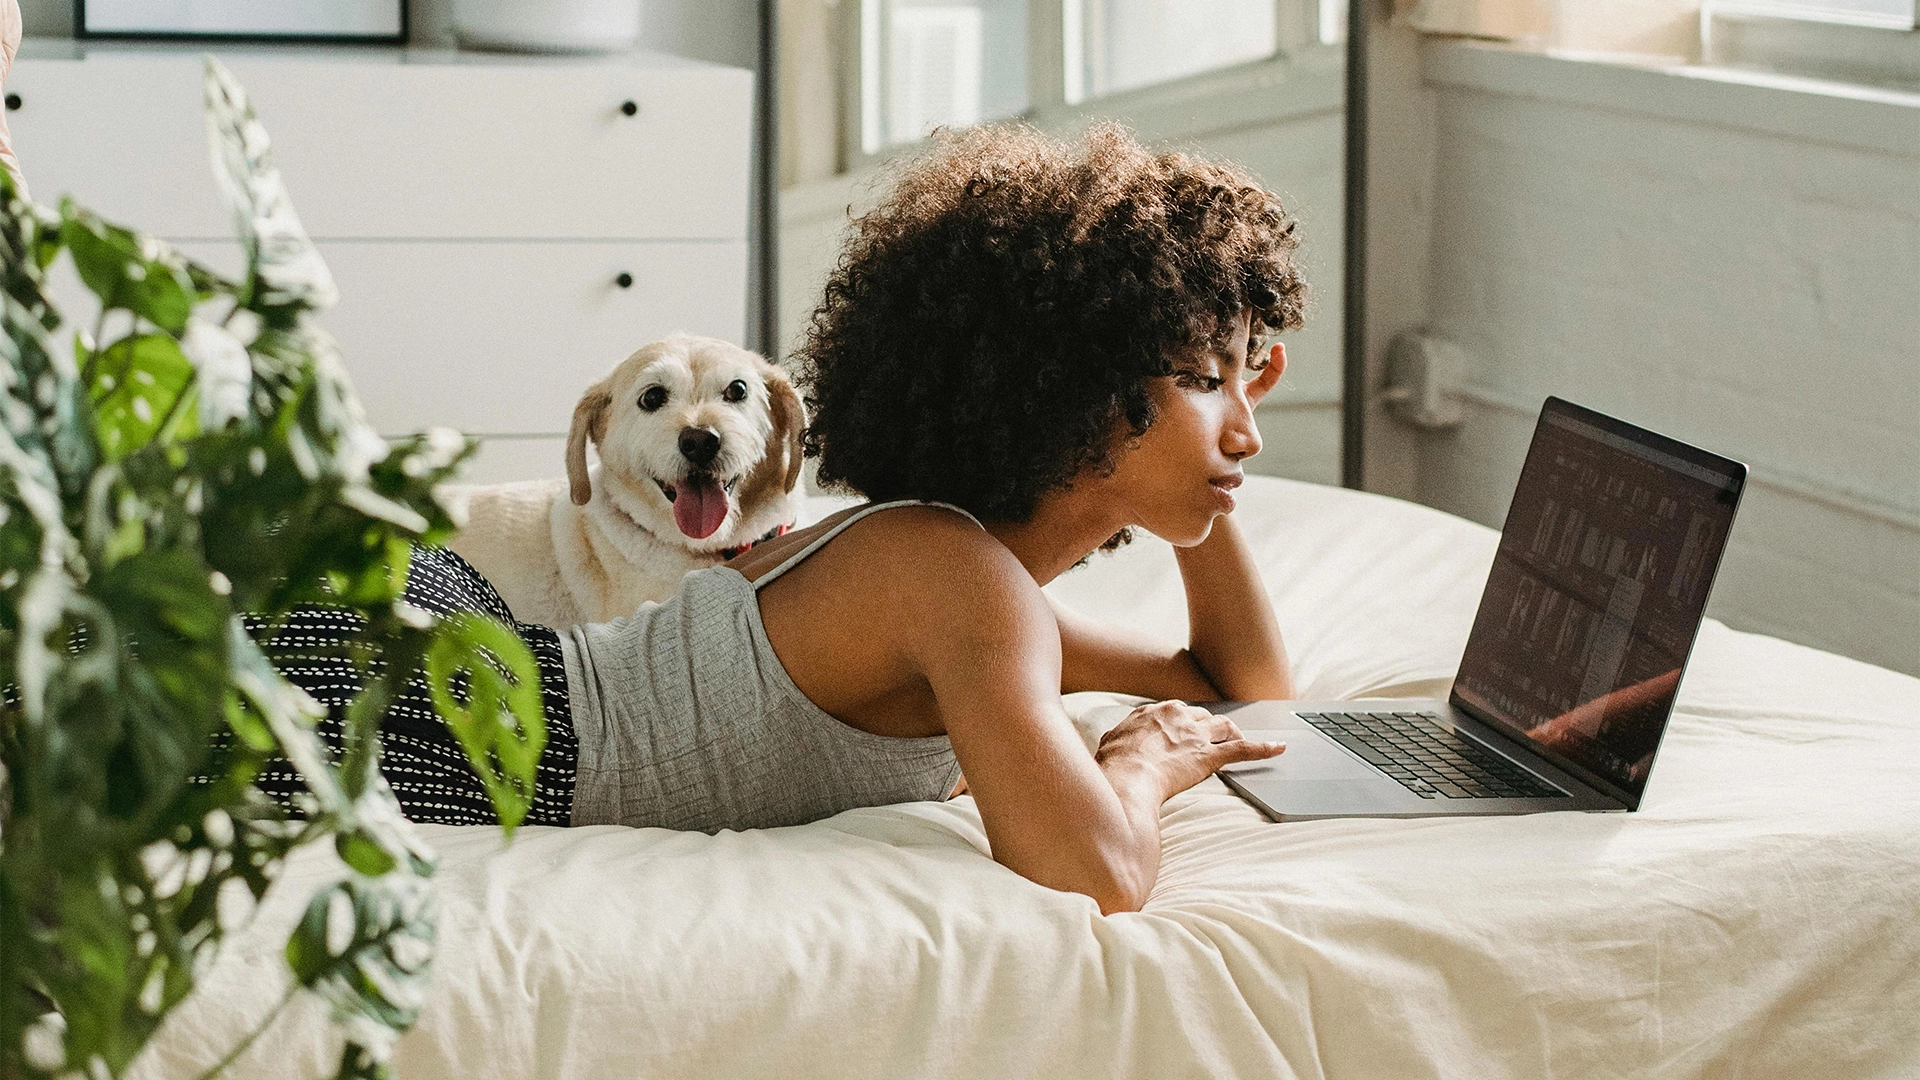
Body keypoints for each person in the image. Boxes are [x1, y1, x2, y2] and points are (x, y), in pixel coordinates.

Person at [250, 123, 1307, 915]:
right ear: (1076, 387)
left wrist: (1212, 463)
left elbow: (1243, 693)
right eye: (1207, 380)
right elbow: (1101, 874)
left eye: (1243, 384)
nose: (1246, 430)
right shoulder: (953, 582)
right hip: (439, 712)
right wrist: (1140, 763)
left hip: (479, 667)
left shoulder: (965, 585)